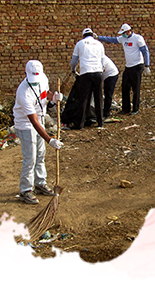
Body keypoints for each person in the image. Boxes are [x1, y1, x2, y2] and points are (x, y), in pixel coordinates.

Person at [13, 60, 64, 205]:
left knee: (40, 155)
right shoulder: (23, 92)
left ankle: (40, 183)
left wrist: (53, 97)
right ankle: (26, 190)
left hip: (39, 121)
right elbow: (33, 121)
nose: (35, 82)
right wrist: (50, 140)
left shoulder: (43, 78)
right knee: (30, 159)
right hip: (25, 125)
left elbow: (44, 93)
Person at [97, 23, 151, 115]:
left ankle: (135, 109)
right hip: (128, 66)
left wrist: (147, 65)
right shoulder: (123, 39)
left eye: (125, 33)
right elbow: (112, 40)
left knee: (135, 88)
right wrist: (98, 37)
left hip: (137, 65)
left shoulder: (138, 38)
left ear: (129, 31)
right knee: (125, 87)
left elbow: (145, 51)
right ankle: (125, 109)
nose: (123, 35)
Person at [70, 28, 105, 129]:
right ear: (92, 35)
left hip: (86, 73)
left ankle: (80, 124)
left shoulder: (80, 43)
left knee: (84, 98)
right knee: (98, 98)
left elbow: (74, 60)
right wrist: (101, 69)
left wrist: (73, 70)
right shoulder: (99, 44)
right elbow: (103, 59)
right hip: (98, 72)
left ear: (83, 36)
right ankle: (100, 123)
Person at [102, 54, 119, 119]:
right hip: (106, 75)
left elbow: (102, 69)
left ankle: (106, 113)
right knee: (106, 93)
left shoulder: (101, 58)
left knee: (108, 93)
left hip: (112, 75)